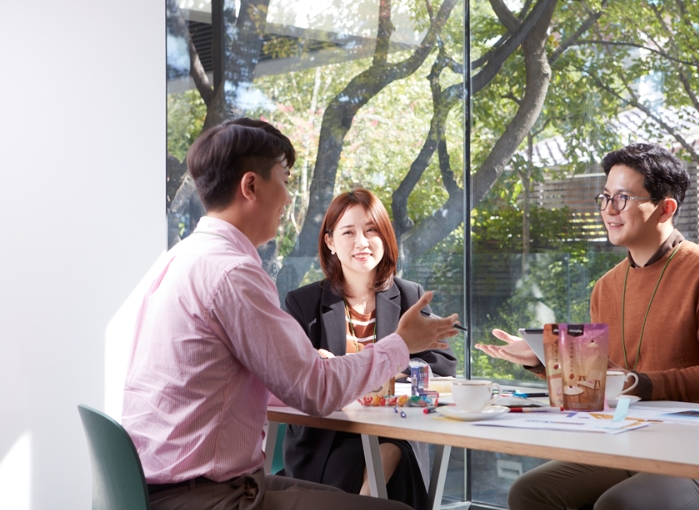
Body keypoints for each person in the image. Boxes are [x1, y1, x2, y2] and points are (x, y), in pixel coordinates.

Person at [121, 118, 459, 510]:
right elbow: (317, 391)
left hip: (166, 484)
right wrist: (401, 344)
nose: (287, 198)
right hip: (210, 495)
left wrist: (305, 367)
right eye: (284, 181)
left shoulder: (178, 258)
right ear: (251, 186)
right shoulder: (233, 274)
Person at [475, 143, 699, 510]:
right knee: (528, 491)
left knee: (619, 504)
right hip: (628, 440)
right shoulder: (606, 286)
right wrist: (542, 359)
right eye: (605, 197)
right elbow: (602, 379)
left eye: (623, 198)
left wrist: (639, 384)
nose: (609, 210)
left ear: (666, 208)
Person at [281, 188, 457, 509]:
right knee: (385, 457)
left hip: (395, 428)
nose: (362, 242)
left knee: (392, 450)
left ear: (385, 237)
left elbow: (443, 367)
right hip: (327, 439)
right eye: (349, 232)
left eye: (371, 230)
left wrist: (378, 376)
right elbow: (295, 377)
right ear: (330, 242)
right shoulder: (303, 303)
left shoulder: (409, 296)